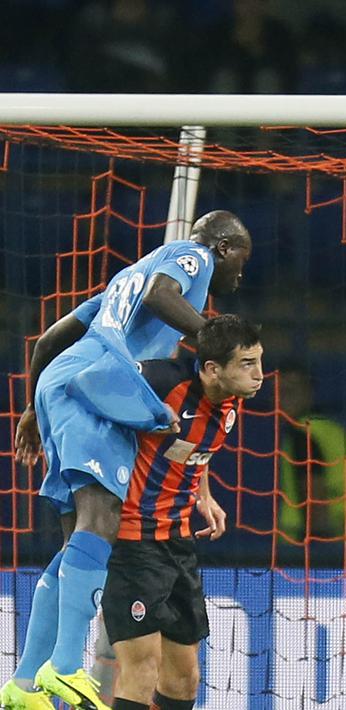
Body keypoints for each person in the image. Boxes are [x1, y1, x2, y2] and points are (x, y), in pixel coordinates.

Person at [3, 211, 251, 710]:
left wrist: (33, 405)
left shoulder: (121, 283)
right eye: (240, 264)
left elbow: (51, 339)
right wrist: (216, 336)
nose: (238, 277)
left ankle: (26, 681)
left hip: (64, 380)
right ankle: (66, 667)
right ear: (224, 248)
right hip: (94, 384)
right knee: (102, 522)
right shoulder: (193, 257)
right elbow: (164, 292)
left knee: (79, 540)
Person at [102, 315, 263, 710]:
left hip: (178, 542)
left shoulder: (228, 406)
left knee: (184, 680)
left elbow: (190, 449)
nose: (259, 375)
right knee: (141, 671)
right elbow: (89, 382)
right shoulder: (160, 382)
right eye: (247, 364)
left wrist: (204, 496)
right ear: (212, 369)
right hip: (132, 543)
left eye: (260, 362)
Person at [275, 363, 346, 544]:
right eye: (277, 392)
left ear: (308, 393)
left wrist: (317, 551)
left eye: (288, 392)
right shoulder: (337, 433)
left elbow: (314, 499)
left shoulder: (302, 435)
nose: (280, 399)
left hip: (306, 549)